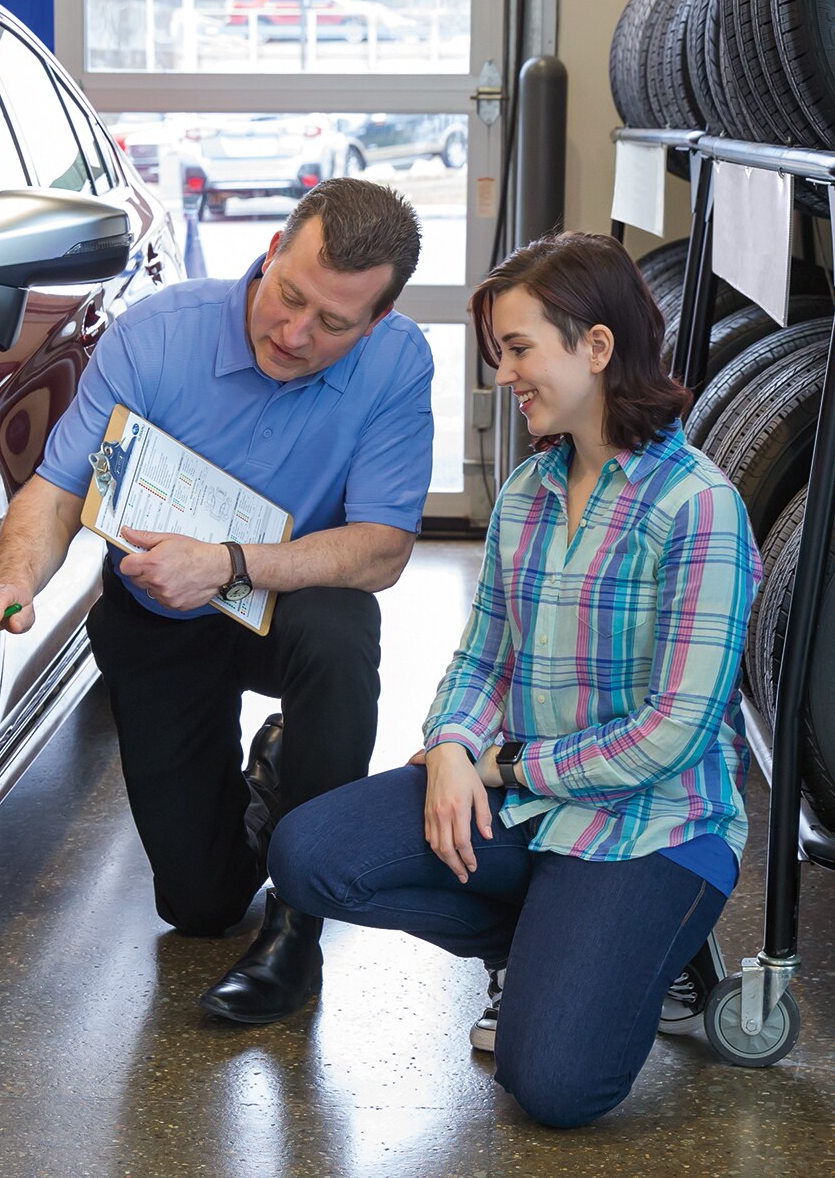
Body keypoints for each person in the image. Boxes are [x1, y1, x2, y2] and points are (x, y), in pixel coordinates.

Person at [270, 231, 762, 1128]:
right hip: (528, 809)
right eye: (500, 354)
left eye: (520, 350)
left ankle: (642, 946)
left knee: (554, 1087)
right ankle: (558, 948)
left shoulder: (698, 508)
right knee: (309, 858)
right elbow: (482, 655)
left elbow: (673, 733)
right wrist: (454, 744)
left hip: (651, 828)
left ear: (598, 348)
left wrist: (502, 768)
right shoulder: (529, 495)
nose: (503, 376)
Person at [0, 176, 435, 1023]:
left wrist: (232, 563)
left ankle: (298, 925)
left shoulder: (398, 361)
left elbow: (382, 548)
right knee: (198, 906)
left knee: (341, 628)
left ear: (377, 321)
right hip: (160, 614)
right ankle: (272, 780)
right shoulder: (155, 338)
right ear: (273, 251)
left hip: (284, 602)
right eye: (289, 297)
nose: (294, 332)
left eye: (334, 325)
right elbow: (58, 490)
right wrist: (14, 580)